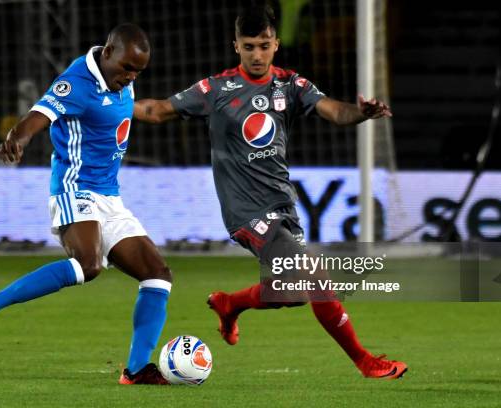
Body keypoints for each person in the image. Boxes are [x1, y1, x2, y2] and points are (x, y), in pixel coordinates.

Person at [133, 7, 407, 379]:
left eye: (264, 45)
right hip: (245, 209)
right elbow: (157, 110)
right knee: (317, 278)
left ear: (276, 44)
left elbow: (334, 111)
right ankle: (365, 361)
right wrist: (107, 106)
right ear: (236, 47)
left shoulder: (290, 85)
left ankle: (230, 304)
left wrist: (360, 113)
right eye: (249, 47)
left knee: (291, 292)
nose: (257, 55)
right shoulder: (215, 89)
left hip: (282, 205)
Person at [0, 23, 170, 385]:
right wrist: (18, 138)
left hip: (110, 196)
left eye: (138, 71)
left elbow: (130, 109)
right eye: (127, 68)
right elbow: (41, 113)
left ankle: (135, 370)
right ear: (108, 52)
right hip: (75, 189)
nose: (131, 76)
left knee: (158, 275)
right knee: (88, 265)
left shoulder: (119, 78)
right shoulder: (77, 82)